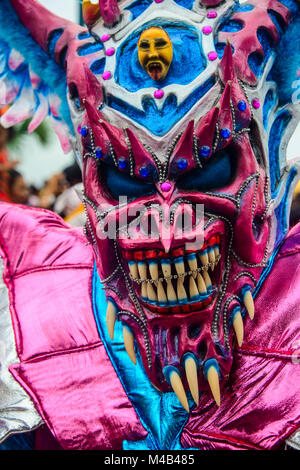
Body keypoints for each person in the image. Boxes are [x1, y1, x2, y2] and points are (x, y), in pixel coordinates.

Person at [0, 0, 299, 451]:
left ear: (270, 144)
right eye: (123, 180)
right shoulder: (24, 301)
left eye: (208, 170)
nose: (164, 231)